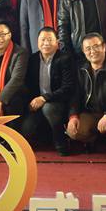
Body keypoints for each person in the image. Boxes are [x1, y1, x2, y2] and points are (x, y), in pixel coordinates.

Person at [21, 27, 76, 155]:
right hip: (38, 103)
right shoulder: (32, 59)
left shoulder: (65, 59)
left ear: (57, 42)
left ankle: (60, 141)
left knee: (49, 108)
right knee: (26, 130)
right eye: (43, 40)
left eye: (50, 40)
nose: (46, 43)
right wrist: (31, 102)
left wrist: (44, 98)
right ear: (37, 42)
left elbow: (68, 88)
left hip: (58, 102)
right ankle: (45, 136)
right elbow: (27, 86)